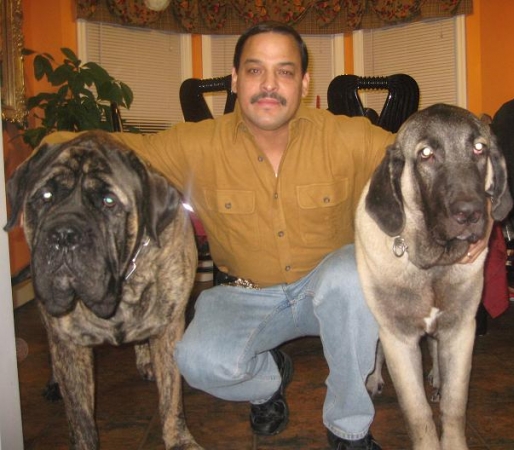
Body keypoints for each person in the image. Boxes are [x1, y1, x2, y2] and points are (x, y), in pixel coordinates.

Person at [45, 21, 489, 449]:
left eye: (285, 72)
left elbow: (423, 161)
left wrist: (474, 221)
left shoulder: (347, 137)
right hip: (245, 294)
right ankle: (268, 381)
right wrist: (43, 150)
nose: (269, 84)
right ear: (236, 80)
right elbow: (118, 147)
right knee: (195, 360)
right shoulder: (195, 144)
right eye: (255, 70)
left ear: (304, 83)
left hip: (327, 291)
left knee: (354, 279)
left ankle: (349, 426)